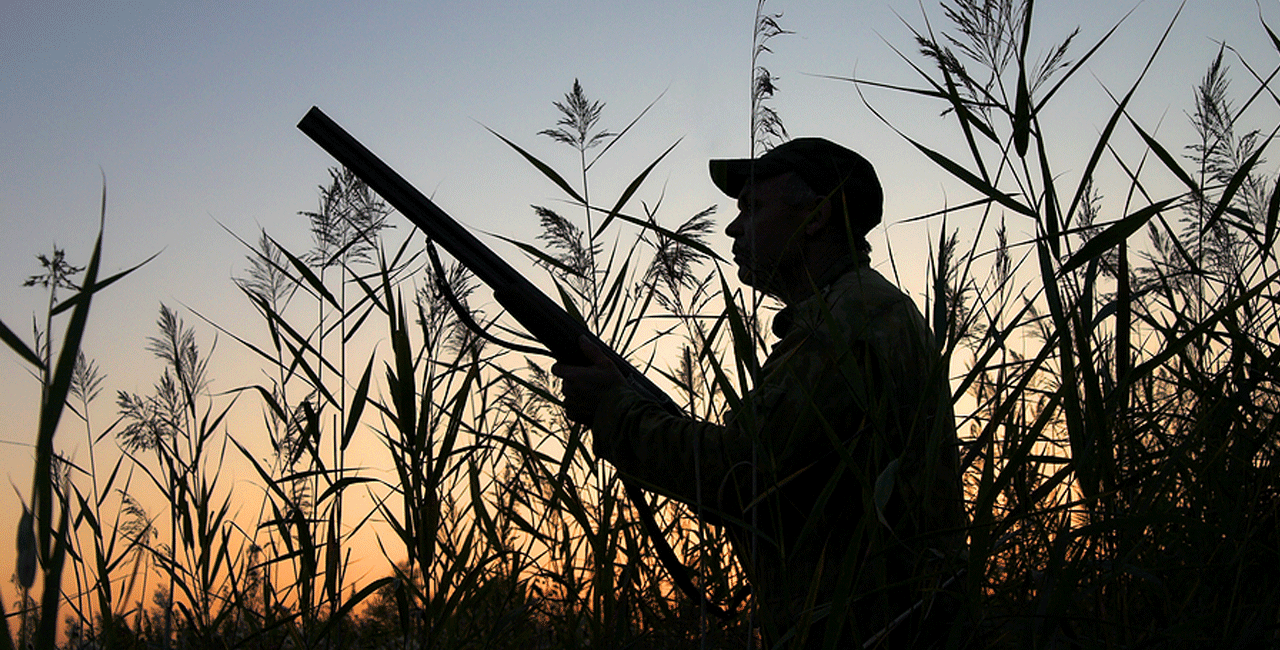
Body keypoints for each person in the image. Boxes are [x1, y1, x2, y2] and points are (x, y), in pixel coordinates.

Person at [553, 138, 968, 648]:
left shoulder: (846, 321)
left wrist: (615, 411)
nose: (733, 226)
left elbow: (744, 472)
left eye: (752, 207)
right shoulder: (861, 308)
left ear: (815, 218)